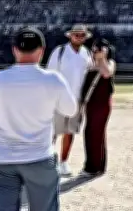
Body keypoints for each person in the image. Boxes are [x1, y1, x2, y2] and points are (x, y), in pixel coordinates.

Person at [0, 26, 78, 211]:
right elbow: (70, 110)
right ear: (42, 51)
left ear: (14, 50)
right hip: (40, 156)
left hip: (3, 157)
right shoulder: (53, 80)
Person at [46, 24, 93, 176]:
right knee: (52, 131)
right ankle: (48, 161)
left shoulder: (87, 54)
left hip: (77, 99)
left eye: (82, 35)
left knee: (70, 131)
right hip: (58, 98)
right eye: (76, 34)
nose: (79, 37)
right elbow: (50, 75)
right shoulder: (59, 52)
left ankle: (64, 161)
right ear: (70, 36)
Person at [80, 38, 116, 177]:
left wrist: (102, 59)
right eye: (95, 49)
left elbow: (107, 73)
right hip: (91, 103)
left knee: (96, 133)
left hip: (102, 104)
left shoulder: (110, 63)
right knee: (91, 132)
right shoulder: (90, 64)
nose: (97, 51)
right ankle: (97, 164)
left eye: (100, 48)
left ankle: (93, 167)